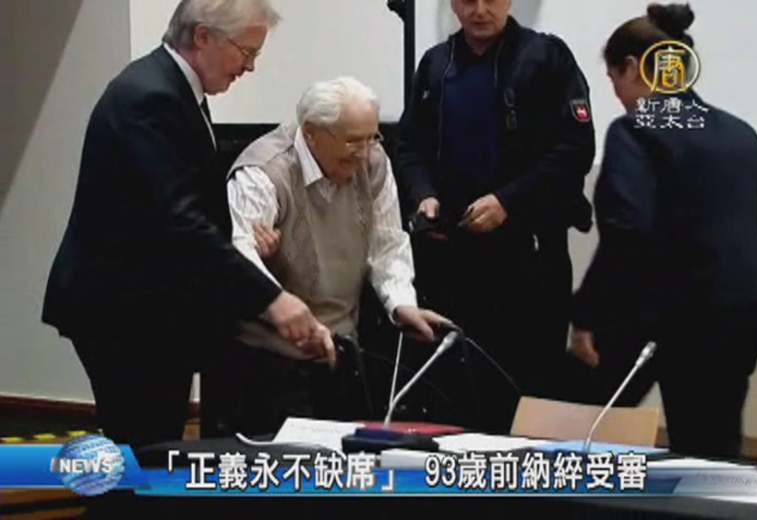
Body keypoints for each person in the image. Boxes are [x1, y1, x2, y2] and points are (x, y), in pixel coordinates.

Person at [41, 0, 334, 450]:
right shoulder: (150, 97)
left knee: (154, 448)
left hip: (149, 308)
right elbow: (181, 224)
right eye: (246, 52)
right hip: (123, 313)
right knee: (145, 452)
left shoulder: (172, 89)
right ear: (202, 37)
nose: (250, 67)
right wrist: (273, 301)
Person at [569, 3, 757, 460]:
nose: (618, 95)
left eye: (614, 79)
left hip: (665, 316)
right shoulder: (739, 134)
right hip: (739, 317)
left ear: (632, 67)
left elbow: (626, 236)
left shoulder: (636, 130)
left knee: (575, 428)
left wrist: (585, 316)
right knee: (713, 453)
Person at [201, 76, 453, 435]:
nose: (364, 153)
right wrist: (285, 308)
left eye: (372, 137)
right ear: (311, 133)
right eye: (352, 140)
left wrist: (401, 304)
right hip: (266, 359)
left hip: (338, 349)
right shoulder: (263, 171)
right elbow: (241, 256)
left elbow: (387, 241)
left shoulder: (373, 162)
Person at [393, 0, 596, 432]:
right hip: (453, 260)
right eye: (468, 0)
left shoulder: (546, 57)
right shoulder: (436, 64)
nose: (480, 10)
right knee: (456, 391)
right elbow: (408, 145)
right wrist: (423, 194)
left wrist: (508, 202)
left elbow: (576, 148)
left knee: (529, 391)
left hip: (530, 258)